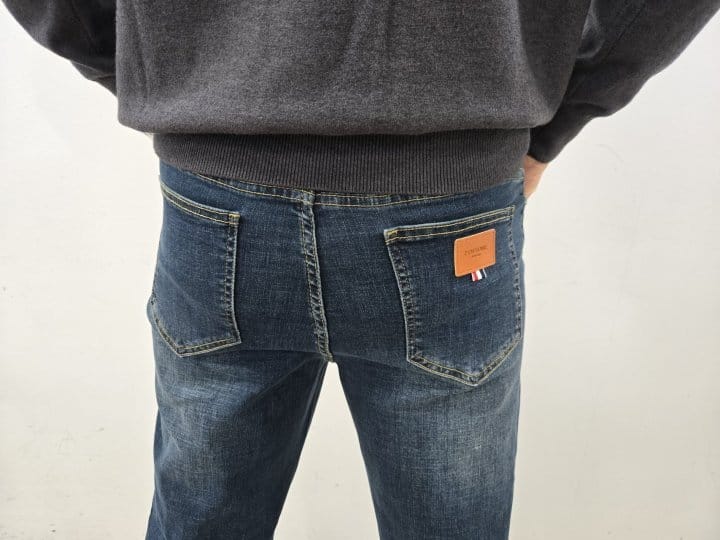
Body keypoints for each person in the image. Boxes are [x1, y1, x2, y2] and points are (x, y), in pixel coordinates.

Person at [4, 1, 718, 538]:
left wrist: (159, 74)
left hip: (218, 199)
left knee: (201, 517)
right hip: (452, 202)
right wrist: (564, 111)